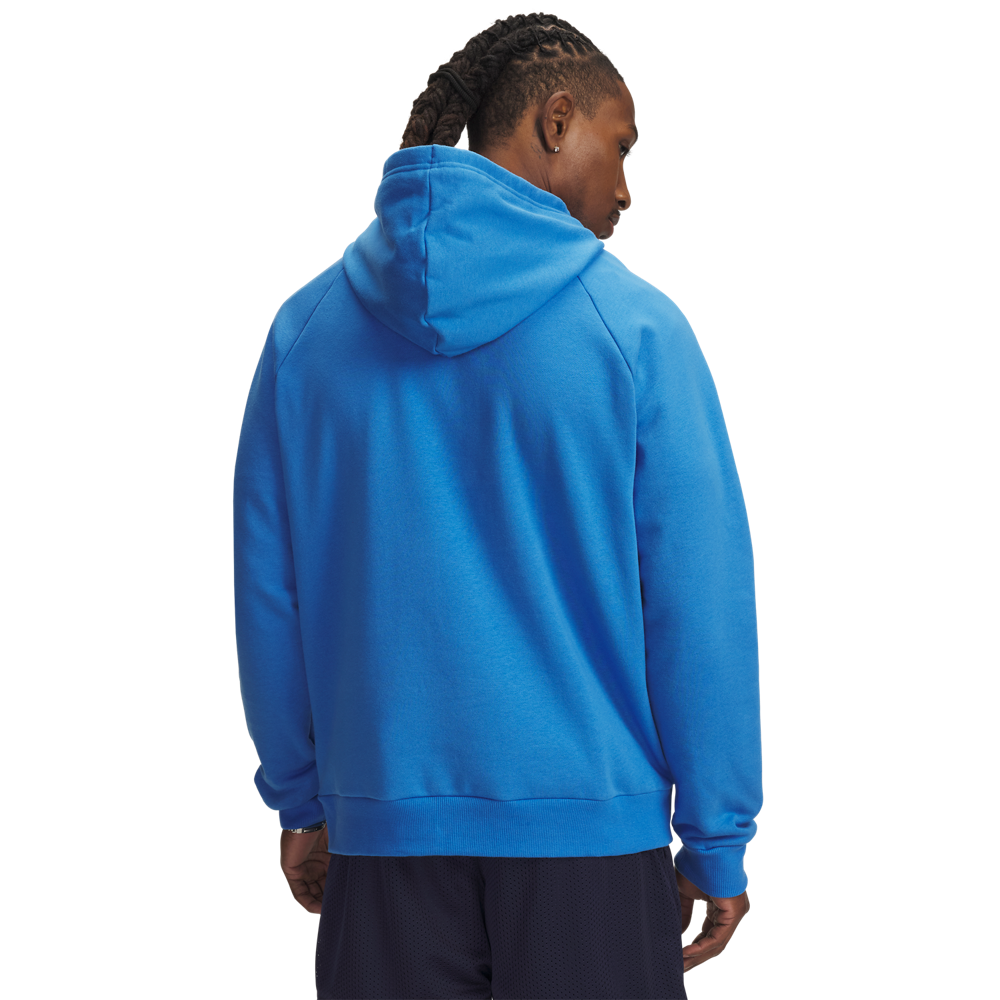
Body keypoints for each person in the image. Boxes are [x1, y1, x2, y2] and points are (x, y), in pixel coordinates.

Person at [233, 12, 763, 999]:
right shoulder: (636, 331)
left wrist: (302, 800)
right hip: (594, 847)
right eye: (621, 145)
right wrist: (717, 838)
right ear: (557, 120)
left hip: (382, 840)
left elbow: (271, 593)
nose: (626, 186)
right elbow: (699, 604)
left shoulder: (307, 333)